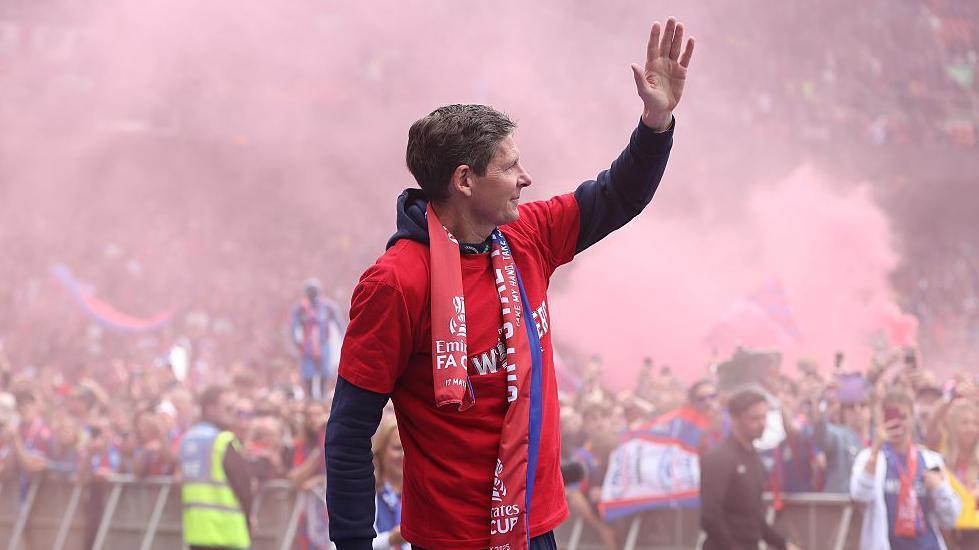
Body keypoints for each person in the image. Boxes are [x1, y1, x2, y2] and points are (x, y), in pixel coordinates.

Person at [325, 16, 694, 550]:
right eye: (510, 166)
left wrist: (656, 123)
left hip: (533, 529)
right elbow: (349, 430)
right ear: (465, 180)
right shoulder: (396, 281)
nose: (526, 179)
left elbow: (618, 196)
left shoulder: (529, 237)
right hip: (451, 540)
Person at [850, 389, 961, 550]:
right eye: (892, 417)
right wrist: (875, 450)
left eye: (903, 417)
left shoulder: (931, 460)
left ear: (913, 419)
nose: (898, 423)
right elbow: (860, 496)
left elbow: (950, 518)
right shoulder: (870, 457)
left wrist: (940, 488)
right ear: (881, 419)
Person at [700, 389, 800, 550]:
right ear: (734, 419)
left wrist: (784, 544)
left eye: (764, 417)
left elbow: (752, 518)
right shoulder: (719, 458)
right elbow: (710, 516)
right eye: (754, 418)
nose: (762, 423)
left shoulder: (754, 458)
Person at [179, 385, 254, 550]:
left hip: (197, 533)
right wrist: (249, 519)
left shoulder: (188, 439)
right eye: (228, 408)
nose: (232, 413)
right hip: (227, 534)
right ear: (210, 409)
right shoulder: (222, 440)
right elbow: (243, 487)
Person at [814, 373, 872, 494]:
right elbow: (820, 434)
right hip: (840, 509)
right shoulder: (837, 435)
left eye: (863, 405)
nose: (858, 410)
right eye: (851, 406)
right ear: (843, 411)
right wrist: (821, 400)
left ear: (871, 409)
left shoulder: (879, 437)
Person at [291, 278, 345, 400]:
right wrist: (295, 340)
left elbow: (339, 324)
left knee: (324, 371)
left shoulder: (328, 307)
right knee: (308, 372)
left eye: (314, 291)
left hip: (323, 343)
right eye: (310, 291)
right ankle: (310, 396)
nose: (312, 294)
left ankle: (322, 396)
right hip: (307, 345)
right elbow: (293, 326)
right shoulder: (301, 308)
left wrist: (345, 339)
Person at [372, 420, 407, 550]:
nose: (404, 454)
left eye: (407, 448)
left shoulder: (420, 494)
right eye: (398, 448)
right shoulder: (369, 493)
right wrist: (390, 539)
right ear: (381, 452)